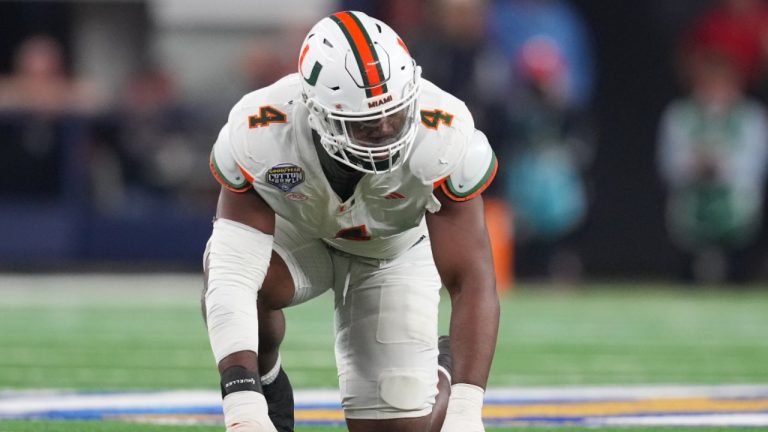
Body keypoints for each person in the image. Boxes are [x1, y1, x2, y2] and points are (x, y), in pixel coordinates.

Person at [201, 10, 500, 432]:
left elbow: (472, 278)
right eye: (365, 124)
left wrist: (467, 412)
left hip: (391, 250)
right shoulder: (262, 129)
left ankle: (444, 368)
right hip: (300, 234)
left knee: (398, 428)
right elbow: (233, 274)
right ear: (317, 113)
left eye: (394, 115)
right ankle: (266, 382)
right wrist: (241, 401)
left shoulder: (446, 136)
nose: (384, 130)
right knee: (227, 268)